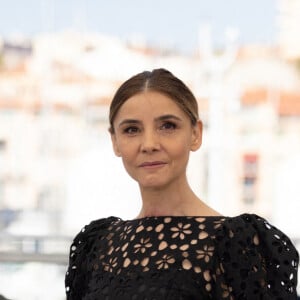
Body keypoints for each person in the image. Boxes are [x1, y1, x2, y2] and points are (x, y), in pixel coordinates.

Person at [65, 68, 299, 299]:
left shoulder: (236, 243)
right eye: (132, 130)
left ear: (196, 134)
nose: (149, 144)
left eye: (167, 126)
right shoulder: (96, 245)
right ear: (115, 141)